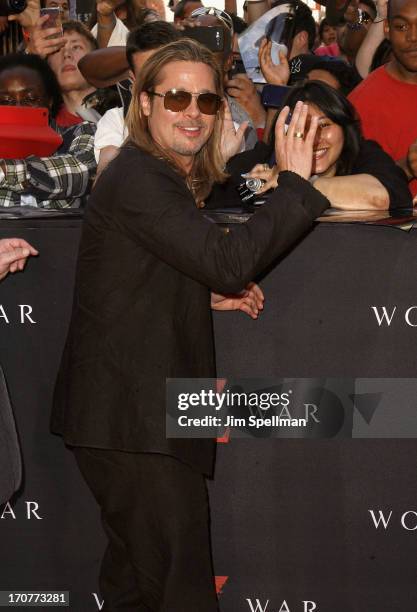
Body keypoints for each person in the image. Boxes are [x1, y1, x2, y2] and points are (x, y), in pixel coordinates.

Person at [51, 38, 330, 611]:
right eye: (177, 97)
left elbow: (143, 264)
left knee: (137, 589)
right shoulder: (140, 176)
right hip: (133, 422)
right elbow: (228, 261)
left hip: (127, 420)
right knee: (179, 594)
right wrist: (297, 183)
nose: (192, 112)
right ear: (145, 104)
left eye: (207, 101)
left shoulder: (153, 177)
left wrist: (195, 293)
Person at [207, 80, 412, 211]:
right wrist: (218, 163)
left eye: (324, 125)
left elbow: (382, 197)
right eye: (303, 128)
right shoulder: (261, 160)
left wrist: (292, 183)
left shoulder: (364, 154)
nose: (315, 138)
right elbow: (205, 201)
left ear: (344, 128)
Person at [0, 53, 96, 209]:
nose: (18, 108)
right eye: (6, 101)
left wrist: (5, 171)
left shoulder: (81, 132)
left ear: (49, 101)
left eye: (30, 99)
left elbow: (82, 169)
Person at [348, 0, 417, 200]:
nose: (413, 37)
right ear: (386, 29)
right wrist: (406, 167)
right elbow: (349, 189)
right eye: (401, 26)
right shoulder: (361, 103)